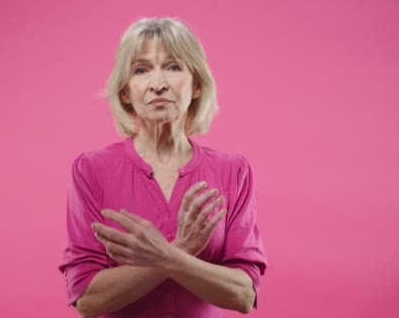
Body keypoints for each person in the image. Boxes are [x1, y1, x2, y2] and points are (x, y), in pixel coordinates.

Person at [58, 17, 267, 318]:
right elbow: (88, 300)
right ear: (126, 91)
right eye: (142, 70)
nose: (158, 84)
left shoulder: (233, 171)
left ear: (196, 84)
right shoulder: (91, 170)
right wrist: (181, 249)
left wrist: (166, 255)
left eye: (173, 67)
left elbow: (244, 295)